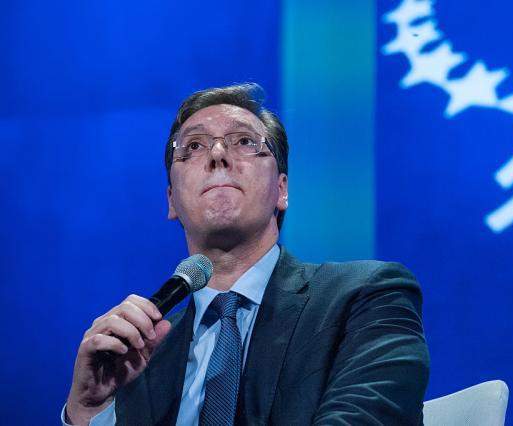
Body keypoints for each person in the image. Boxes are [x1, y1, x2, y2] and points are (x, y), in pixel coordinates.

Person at [63, 83, 429, 425]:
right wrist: (89, 411)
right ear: (171, 199)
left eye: (244, 141)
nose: (218, 154)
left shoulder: (365, 296)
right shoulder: (139, 355)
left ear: (281, 190)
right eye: (194, 146)